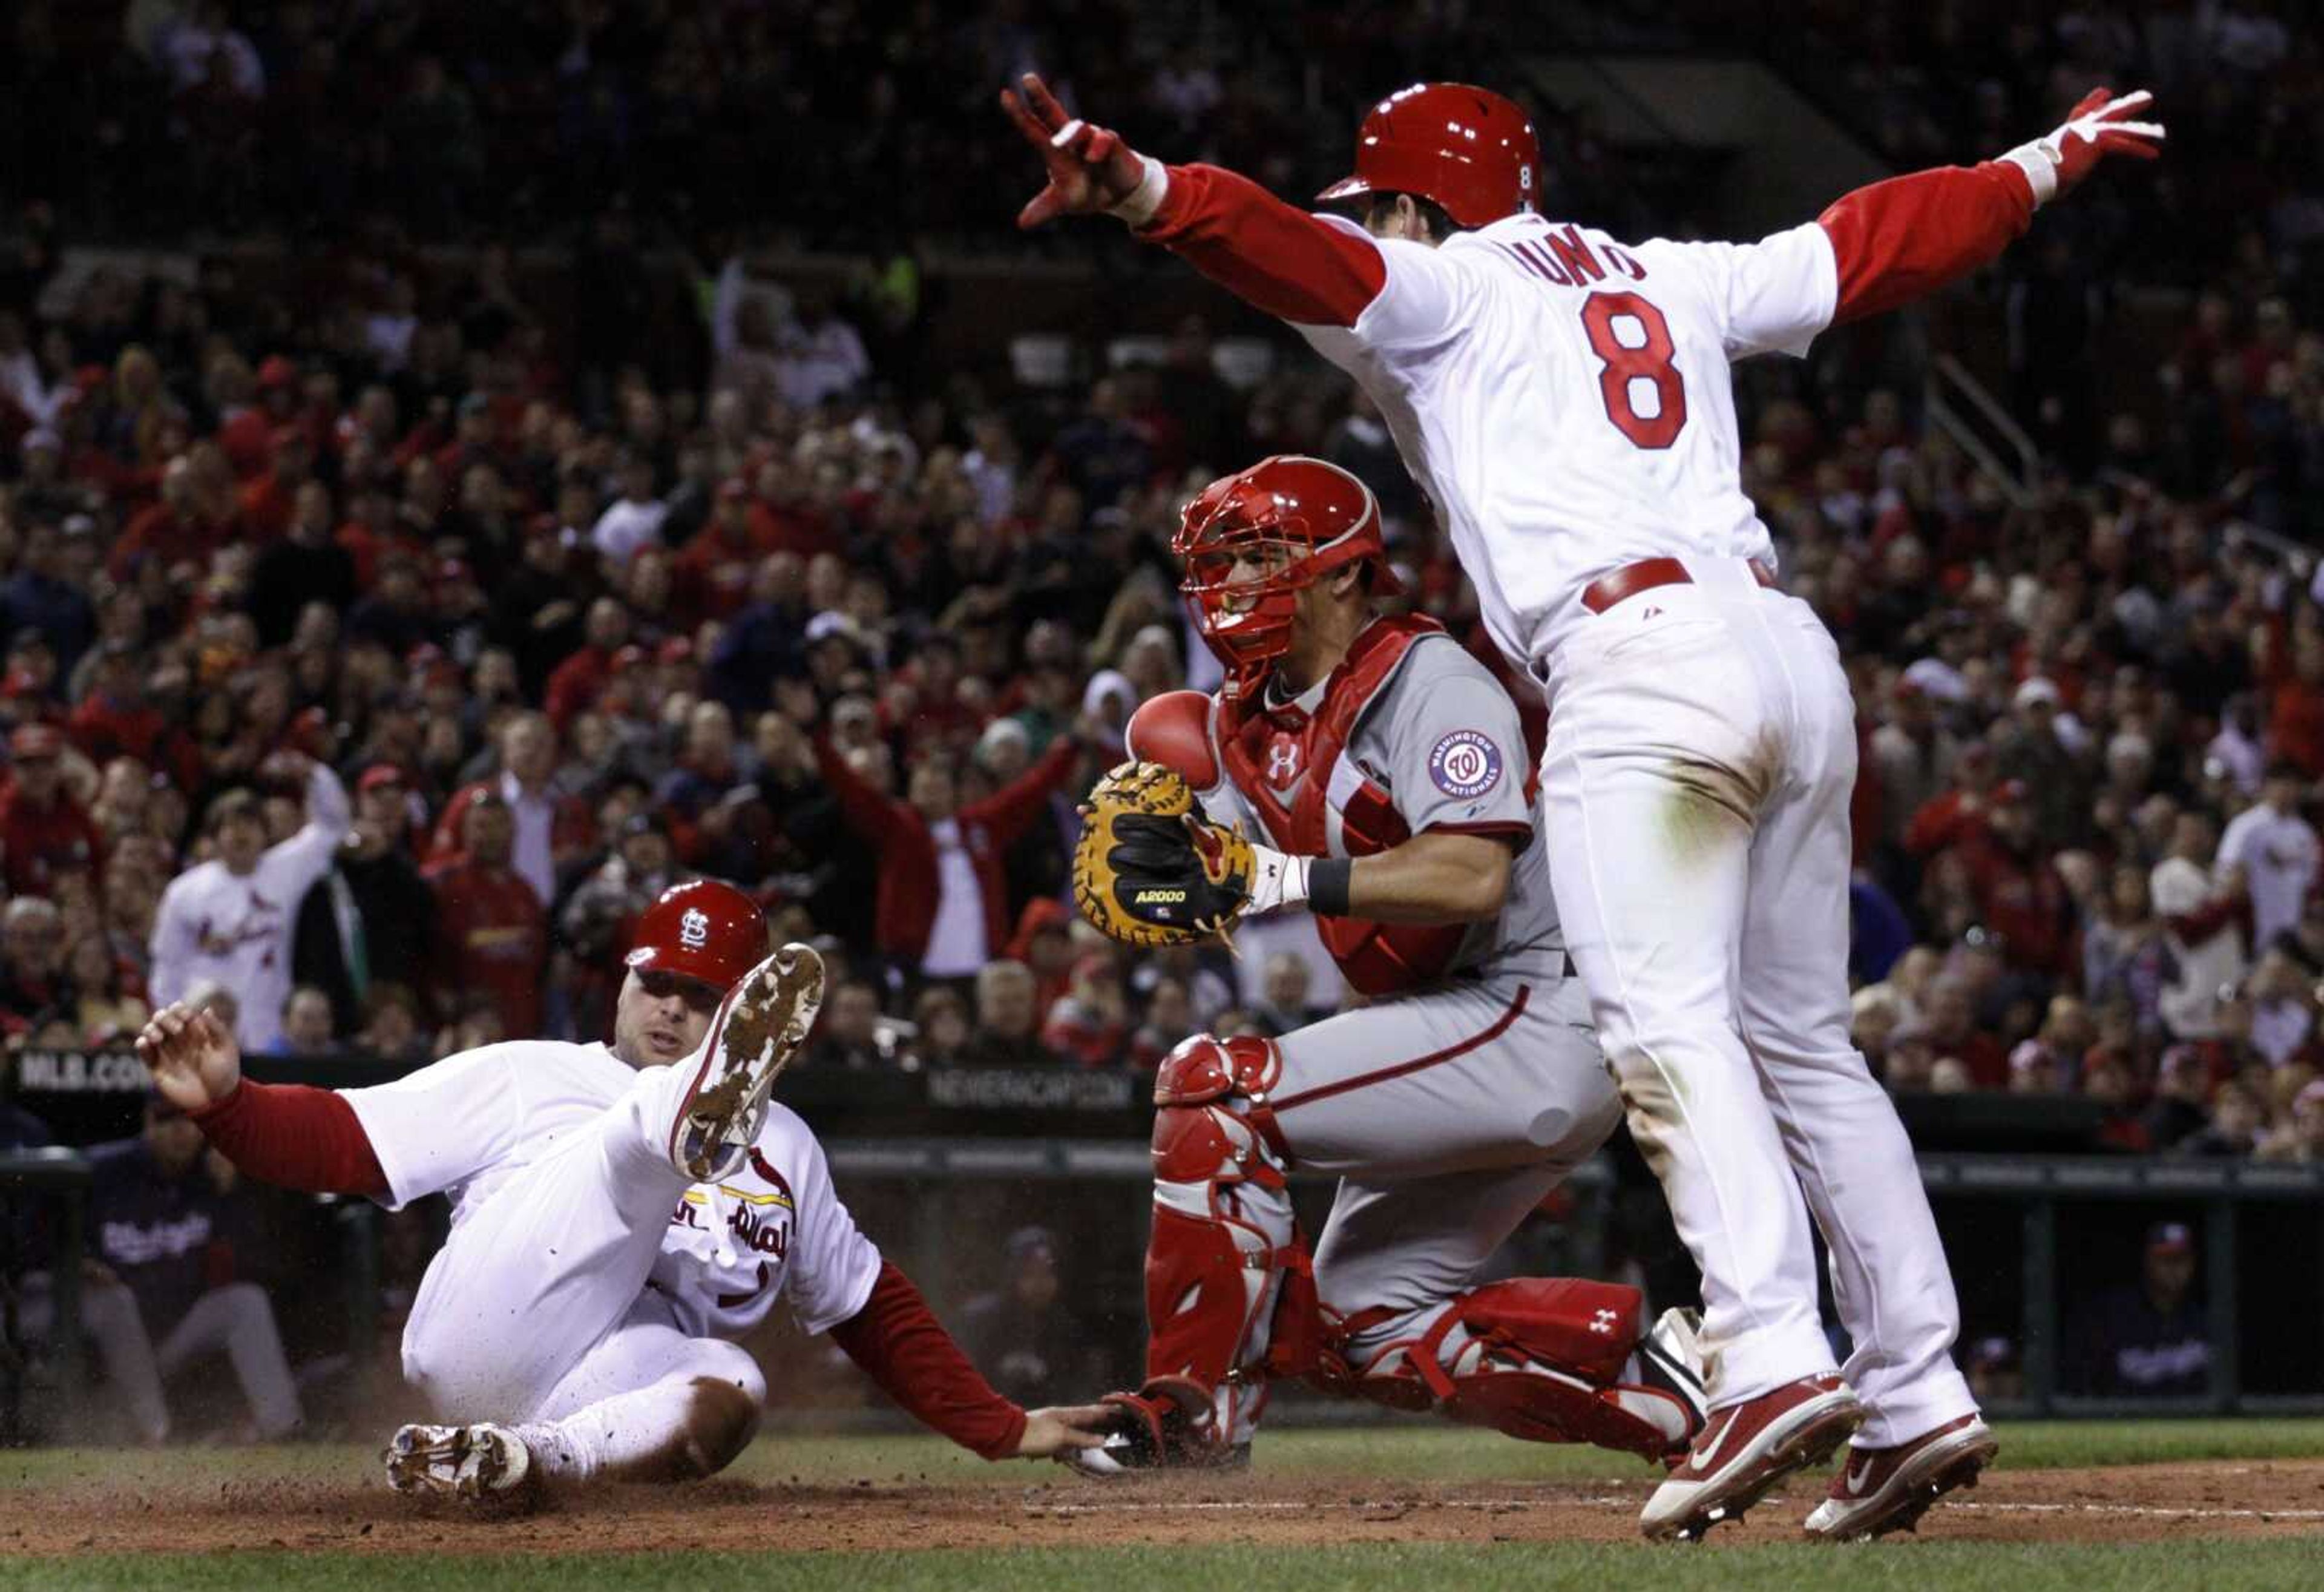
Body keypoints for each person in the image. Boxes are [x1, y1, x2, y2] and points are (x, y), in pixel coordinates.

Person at [1005, 72, 2164, 1540]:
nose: (1377, 229)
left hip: (1635, 665)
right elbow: (1875, 244)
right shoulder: (1665, 274)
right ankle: (1917, 1381)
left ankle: (1764, 1353)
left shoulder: (1447, 289)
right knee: (1802, 1043)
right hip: (1785, 652)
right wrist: (2037, 163)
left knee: (1664, 1021)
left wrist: (1155, 194)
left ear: (1417, 204)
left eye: (1385, 206)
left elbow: (1308, 258)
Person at [1068, 457, 1705, 1479]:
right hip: (1464, 1022)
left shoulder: (1426, 679)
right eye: (1221, 565)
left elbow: (1468, 875)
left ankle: (1191, 1419)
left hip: (1541, 1005)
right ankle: (1669, 1388)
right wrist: (1177, 875)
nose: (1231, 587)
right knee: (1363, 1323)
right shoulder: (1248, 721)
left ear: (1342, 573)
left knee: (1211, 1087)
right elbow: (1225, 881)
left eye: (1259, 559)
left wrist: (1271, 879)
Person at [135, 880, 1108, 1499]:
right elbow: (346, 1142)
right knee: (631, 1135)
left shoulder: (789, 1147)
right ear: (625, 981)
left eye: (702, 996)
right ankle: (678, 1120)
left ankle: (513, 1466)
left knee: (733, 1380)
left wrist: (1004, 1424)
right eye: (658, 982)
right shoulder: (528, 1071)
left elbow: (868, 1306)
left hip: (586, 1389)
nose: (670, 1005)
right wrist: (228, 1104)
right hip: (487, 1326)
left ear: (735, 1012)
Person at [148, 756, 349, 1053]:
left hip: (267, 1024)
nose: (241, 834)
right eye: (231, 826)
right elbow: (167, 967)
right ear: (215, 838)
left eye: (250, 825)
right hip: (204, 1026)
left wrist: (315, 775)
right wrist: (177, 1030)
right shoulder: (185, 891)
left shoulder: (284, 870)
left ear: (265, 833)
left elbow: (332, 827)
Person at [2069, 1222, 2211, 1397]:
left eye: (2181, 1260)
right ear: (2147, 1261)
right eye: (2165, 1260)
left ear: (2193, 1263)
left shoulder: (2206, 1319)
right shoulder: (2114, 1316)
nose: (2174, 1269)